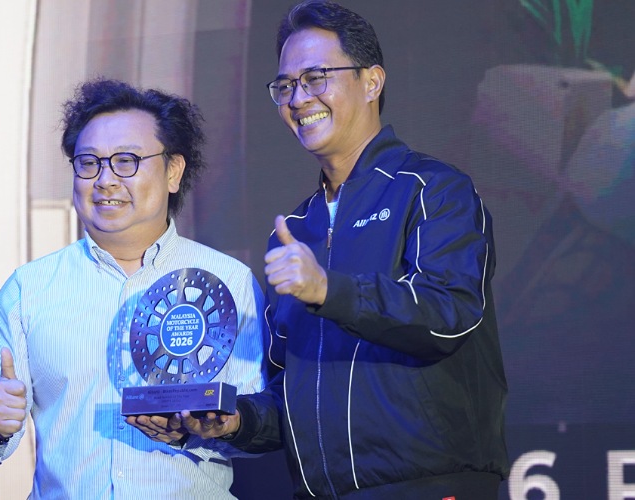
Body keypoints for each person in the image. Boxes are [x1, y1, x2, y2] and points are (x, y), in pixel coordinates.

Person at [178, 1, 510, 498]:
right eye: (285, 86)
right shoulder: (295, 229)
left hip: (428, 485)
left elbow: (449, 315)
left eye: (316, 78)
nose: (298, 99)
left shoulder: (432, 190)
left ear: (371, 82)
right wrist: (236, 421)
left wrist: (328, 290)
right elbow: (291, 393)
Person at [0, 78, 267, 498]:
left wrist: (207, 429)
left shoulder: (229, 282)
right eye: (89, 162)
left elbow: (260, 427)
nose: (105, 180)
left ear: (173, 171)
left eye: (126, 161)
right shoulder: (28, 289)